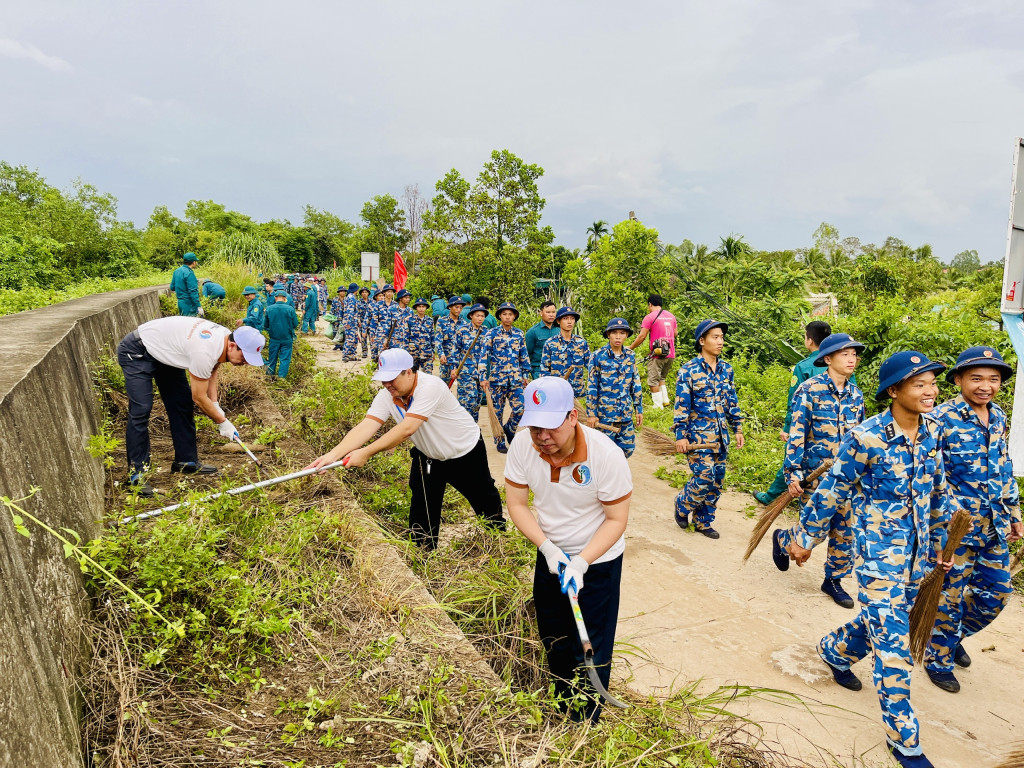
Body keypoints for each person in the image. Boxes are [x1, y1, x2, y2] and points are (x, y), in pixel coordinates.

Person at [802, 351, 955, 768]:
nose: (930, 391)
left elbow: (938, 491)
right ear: (894, 390)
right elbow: (832, 490)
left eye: (932, 384)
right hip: (877, 559)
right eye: (919, 384)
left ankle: (835, 650)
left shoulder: (934, 432)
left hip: (919, 558)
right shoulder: (866, 436)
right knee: (894, 649)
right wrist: (804, 538)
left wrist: (942, 543)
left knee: (883, 625)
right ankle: (904, 740)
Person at [503, 376, 631, 723]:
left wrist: (582, 562)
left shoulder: (607, 455)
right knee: (555, 637)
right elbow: (516, 504)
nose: (542, 437)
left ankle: (585, 722)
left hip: (597, 560)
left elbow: (616, 520)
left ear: (573, 417)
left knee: (591, 646)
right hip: (552, 558)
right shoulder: (522, 446)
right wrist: (547, 548)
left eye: (550, 427)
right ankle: (562, 707)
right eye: (534, 427)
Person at [308, 348, 505, 549]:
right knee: (422, 507)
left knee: (485, 501)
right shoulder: (387, 395)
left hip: (464, 453)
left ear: (409, 372)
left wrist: (366, 453)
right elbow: (367, 425)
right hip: (428, 457)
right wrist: (333, 455)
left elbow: (407, 429)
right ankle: (423, 554)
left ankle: (499, 543)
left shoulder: (431, 386)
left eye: (391, 379)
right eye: (383, 380)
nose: (387, 385)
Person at [925, 346, 1023, 694]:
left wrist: (1014, 513)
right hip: (955, 532)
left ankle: (949, 638)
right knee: (949, 596)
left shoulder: (996, 417)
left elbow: (1004, 469)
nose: (986, 386)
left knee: (996, 593)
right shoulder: (940, 419)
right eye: (977, 378)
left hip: (993, 528)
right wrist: (950, 515)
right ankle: (937, 658)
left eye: (993, 379)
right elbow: (932, 476)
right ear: (958, 380)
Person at [116, 318, 266, 496]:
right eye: (245, 357)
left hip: (166, 352)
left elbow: (213, 368)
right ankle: (137, 476)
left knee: (181, 403)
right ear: (233, 346)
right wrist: (222, 421)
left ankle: (186, 462)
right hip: (138, 350)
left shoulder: (225, 339)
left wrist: (215, 403)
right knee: (141, 410)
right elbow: (199, 397)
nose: (246, 362)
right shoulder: (205, 350)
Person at [769, 333, 866, 609]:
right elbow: (797, 434)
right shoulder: (810, 390)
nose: (851, 359)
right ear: (828, 359)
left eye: (854, 354)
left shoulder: (856, 395)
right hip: (815, 474)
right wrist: (793, 474)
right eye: (845, 354)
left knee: (846, 530)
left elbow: (859, 437)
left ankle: (833, 579)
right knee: (817, 529)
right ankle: (785, 538)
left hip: (847, 476)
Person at [673, 319, 743, 540]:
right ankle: (682, 503)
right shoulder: (689, 371)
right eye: (715, 337)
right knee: (704, 476)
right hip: (697, 437)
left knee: (717, 481)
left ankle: (703, 521)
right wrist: (680, 435)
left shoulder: (726, 370)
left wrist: (738, 428)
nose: (720, 341)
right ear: (702, 341)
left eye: (722, 337)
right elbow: (681, 406)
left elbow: (732, 401)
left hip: (720, 436)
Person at [755, 321, 835, 505]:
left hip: (806, 424)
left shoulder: (803, 367)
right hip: (833, 427)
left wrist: (787, 427)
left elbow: (795, 402)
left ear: (809, 340)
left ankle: (771, 496)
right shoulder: (841, 365)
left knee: (793, 458)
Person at [587, 318, 643, 458]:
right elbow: (592, 386)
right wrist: (592, 414)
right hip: (605, 415)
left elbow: (635, 384)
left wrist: (638, 409)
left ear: (627, 335)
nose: (618, 337)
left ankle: (617, 475)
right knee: (603, 452)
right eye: (614, 333)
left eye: (622, 333)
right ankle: (603, 478)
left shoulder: (630, 356)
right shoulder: (598, 356)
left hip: (625, 414)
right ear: (608, 334)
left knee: (627, 449)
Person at [479, 302, 531, 453]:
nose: (507, 317)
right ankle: (499, 440)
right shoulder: (492, 334)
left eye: (510, 314)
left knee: (521, 408)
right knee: (497, 412)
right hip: (497, 380)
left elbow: (524, 356)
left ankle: (510, 428)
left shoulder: (519, 334)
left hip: (515, 379)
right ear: (500, 316)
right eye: (504, 314)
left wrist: (525, 375)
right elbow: (484, 356)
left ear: (514, 316)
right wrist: (483, 376)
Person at [629, 294, 677, 409]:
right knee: (662, 378)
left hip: (658, 354)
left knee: (652, 381)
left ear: (650, 304)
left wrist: (630, 348)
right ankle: (665, 401)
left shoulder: (649, 317)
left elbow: (642, 337)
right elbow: (675, 333)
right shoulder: (671, 316)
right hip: (670, 353)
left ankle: (658, 407)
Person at [450, 303, 489, 419]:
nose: (480, 318)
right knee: (467, 403)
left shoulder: (486, 332)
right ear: (471, 315)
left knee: (477, 403)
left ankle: (473, 428)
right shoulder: (462, 330)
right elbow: (455, 350)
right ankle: (463, 428)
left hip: (480, 373)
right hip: (466, 372)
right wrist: (453, 367)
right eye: (478, 315)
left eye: (482, 316)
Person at [540, 307, 590, 398]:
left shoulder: (581, 343)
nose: (569, 321)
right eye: (565, 318)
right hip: (557, 393)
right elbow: (544, 371)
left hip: (577, 393)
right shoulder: (550, 343)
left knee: (579, 413)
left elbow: (591, 367)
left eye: (572, 318)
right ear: (558, 321)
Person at [265, 288, 299, 381]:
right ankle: (281, 378)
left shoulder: (269, 309)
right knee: (285, 359)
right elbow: (295, 324)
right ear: (284, 298)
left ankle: (269, 376)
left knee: (272, 357)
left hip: (274, 338)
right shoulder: (290, 309)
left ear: (275, 298)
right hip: (287, 338)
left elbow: (265, 325)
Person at [435, 295, 467, 382]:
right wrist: (441, 354)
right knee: (444, 386)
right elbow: (438, 340)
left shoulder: (464, 323)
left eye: (460, 308)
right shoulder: (442, 321)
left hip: (459, 361)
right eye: (456, 307)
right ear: (450, 307)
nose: (459, 310)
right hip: (446, 359)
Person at [525, 301, 558, 380]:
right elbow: (527, 354)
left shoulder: (560, 329)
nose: (551, 315)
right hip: (539, 371)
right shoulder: (533, 332)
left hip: (558, 369)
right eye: (548, 312)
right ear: (541, 313)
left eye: (553, 312)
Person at [169, 252, 202, 317]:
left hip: (180, 303)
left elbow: (172, 287)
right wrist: (199, 306)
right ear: (193, 262)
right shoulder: (189, 273)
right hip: (189, 304)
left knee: (184, 323)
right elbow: (193, 291)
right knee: (190, 324)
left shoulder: (177, 271)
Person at [408, 298, 435, 373]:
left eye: (423, 307)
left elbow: (432, 337)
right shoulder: (410, 320)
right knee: (412, 377)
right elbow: (407, 336)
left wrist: (433, 352)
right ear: (416, 308)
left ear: (426, 308)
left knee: (428, 376)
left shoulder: (430, 320)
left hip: (427, 353)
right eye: (419, 306)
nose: (421, 309)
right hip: (413, 354)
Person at [341, 283, 361, 361]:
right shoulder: (351, 298)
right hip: (350, 321)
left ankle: (352, 354)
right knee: (350, 339)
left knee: (355, 339)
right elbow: (350, 311)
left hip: (353, 321)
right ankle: (345, 355)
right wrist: (349, 322)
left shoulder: (351, 297)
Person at [356, 287, 372, 359]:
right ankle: (364, 352)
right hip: (362, 323)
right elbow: (357, 313)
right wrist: (359, 321)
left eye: (366, 292)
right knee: (363, 338)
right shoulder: (359, 302)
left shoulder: (372, 302)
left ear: (368, 293)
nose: (364, 293)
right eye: (363, 292)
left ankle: (373, 352)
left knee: (372, 337)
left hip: (371, 323)